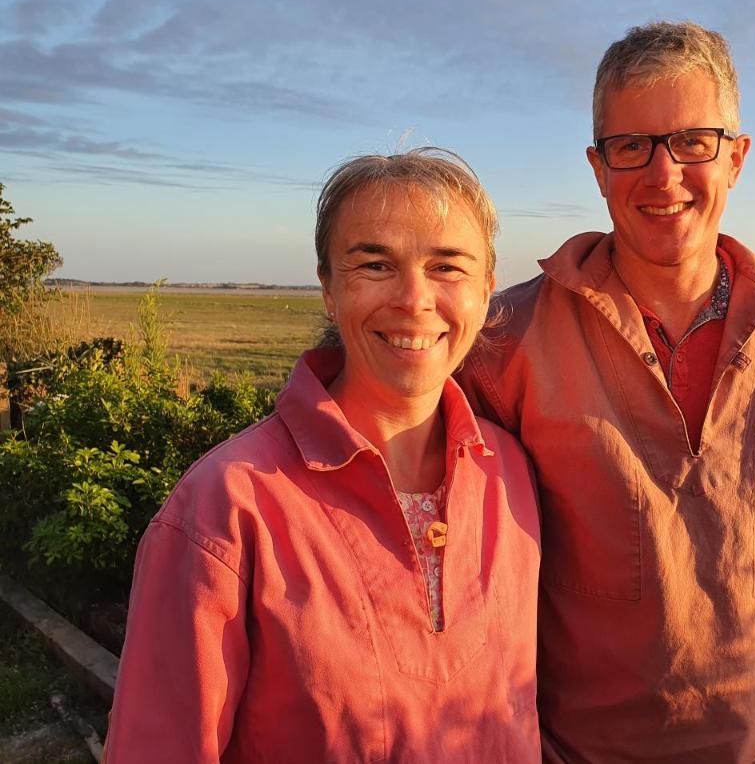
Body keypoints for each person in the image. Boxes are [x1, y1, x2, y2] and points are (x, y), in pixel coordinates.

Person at [461, 22, 755, 763]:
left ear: (737, 157)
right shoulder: (504, 341)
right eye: (631, 146)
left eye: (693, 141)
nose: (662, 175)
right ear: (598, 168)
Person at [105, 150, 541, 763]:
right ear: (329, 289)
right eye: (374, 263)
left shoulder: (511, 473)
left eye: (447, 265)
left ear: (487, 288)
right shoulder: (225, 508)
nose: (415, 298)